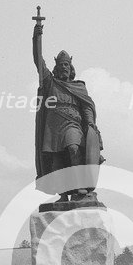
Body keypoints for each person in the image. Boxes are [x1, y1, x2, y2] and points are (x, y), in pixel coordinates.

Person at [33, 22, 103, 201]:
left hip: (72, 123)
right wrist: (37, 37)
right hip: (53, 127)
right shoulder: (50, 82)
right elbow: (38, 61)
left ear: (70, 68)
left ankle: (80, 186)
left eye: (66, 65)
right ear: (56, 68)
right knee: (56, 159)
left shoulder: (79, 86)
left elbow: (87, 107)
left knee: (73, 148)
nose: (64, 68)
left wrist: (90, 124)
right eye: (61, 65)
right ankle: (63, 194)